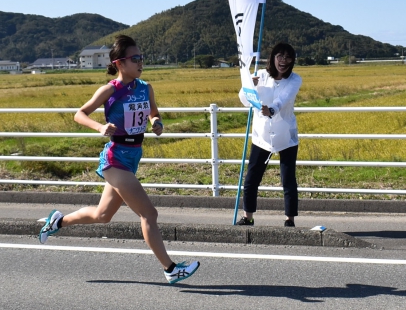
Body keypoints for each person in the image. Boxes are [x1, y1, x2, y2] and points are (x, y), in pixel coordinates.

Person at [38, 34, 200, 284]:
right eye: (135, 58)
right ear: (119, 63)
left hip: (133, 156)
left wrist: (156, 122)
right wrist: (99, 127)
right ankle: (171, 269)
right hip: (116, 158)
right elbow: (79, 114)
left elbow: (153, 112)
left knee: (102, 215)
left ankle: (58, 221)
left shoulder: (145, 87)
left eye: (141, 58)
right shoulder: (110, 90)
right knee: (149, 214)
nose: (140, 62)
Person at [236, 42, 302, 227]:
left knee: (288, 178)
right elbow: (244, 100)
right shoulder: (260, 75)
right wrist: (248, 86)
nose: (283, 60)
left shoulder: (295, 80)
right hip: (261, 135)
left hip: (285, 135)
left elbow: (283, 99)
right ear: (272, 57)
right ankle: (247, 217)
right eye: (280, 56)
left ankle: (290, 219)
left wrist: (271, 110)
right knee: (252, 178)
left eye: (288, 57)